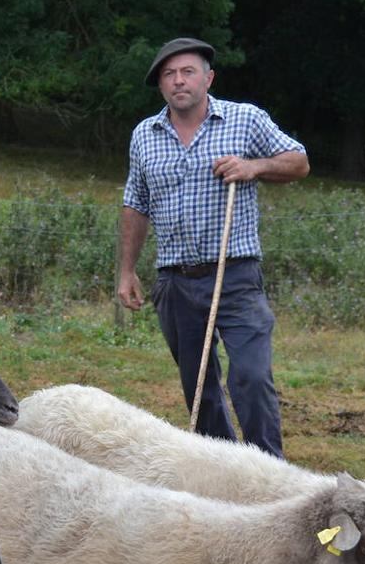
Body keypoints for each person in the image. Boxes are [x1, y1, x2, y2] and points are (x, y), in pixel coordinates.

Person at [117, 37, 309, 458]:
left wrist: (253, 166)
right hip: (175, 282)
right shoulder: (144, 135)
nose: (178, 81)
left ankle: (268, 473)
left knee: (252, 378)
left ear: (208, 78)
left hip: (235, 275)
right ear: (161, 85)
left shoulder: (244, 120)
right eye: (169, 75)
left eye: (187, 71)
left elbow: (299, 161)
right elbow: (136, 202)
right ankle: (222, 472)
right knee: (199, 387)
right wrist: (127, 270)